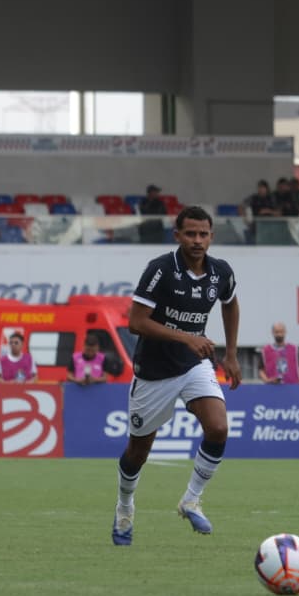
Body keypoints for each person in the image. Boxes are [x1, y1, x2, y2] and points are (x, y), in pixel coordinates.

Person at [112, 206, 241, 547]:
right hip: (154, 373)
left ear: (211, 236)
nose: (197, 241)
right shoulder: (160, 270)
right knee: (138, 451)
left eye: (203, 234)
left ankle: (191, 499)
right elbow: (136, 322)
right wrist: (187, 336)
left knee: (218, 427)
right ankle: (125, 507)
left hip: (195, 363)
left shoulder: (220, 273)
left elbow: (230, 302)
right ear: (178, 235)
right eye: (191, 234)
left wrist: (231, 353)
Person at [241, 180, 280, 245]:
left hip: (270, 228)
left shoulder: (272, 198)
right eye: (259, 188)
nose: (261, 190)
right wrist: (245, 217)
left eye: (263, 188)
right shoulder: (253, 198)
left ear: (267, 188)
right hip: (256, 227)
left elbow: (279, 213)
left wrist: (268, 211)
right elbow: (241, 206)